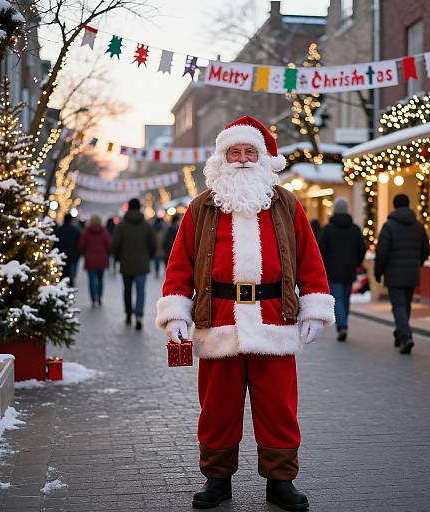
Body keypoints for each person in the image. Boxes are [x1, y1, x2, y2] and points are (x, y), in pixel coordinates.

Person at [156, 115, 334, 511]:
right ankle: (217, 480)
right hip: (218, 319)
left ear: (263, 157)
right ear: (222, 158)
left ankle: (281, 481)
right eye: (233, 151)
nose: (240, 159)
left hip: (275, 319)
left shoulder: (286, 203)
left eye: (248, 151)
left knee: (279, 406)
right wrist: (176, 313)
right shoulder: (201, 207)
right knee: (217, 407)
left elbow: (309, 259)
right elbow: (179, 264)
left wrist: (315, 308)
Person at [374, 194, 430, 355]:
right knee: (405, 305)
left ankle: (406, 337)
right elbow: (426, 250)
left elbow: (381, 252)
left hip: (393, 274)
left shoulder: (389, 226)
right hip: (412, 273)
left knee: (398, 306)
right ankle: (400, 333)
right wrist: (417, 263)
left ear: (394, 205)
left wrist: (379, 272)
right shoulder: (419, 226)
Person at [319, 198, 366, 342]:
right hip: (349, 270)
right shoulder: (355, 229)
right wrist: (356, 263)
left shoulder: (328, 229)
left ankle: (342, 326)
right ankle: (344, 323)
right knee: (345, 299)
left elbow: (320, 250)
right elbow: (361, 249)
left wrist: (324, 266)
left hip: (333, 271)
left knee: (337, 299)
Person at [113, 198, 155, 331]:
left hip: (126, 262)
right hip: (142, 263)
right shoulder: (146, 225)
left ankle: (128, 313)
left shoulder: (121, 225)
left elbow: (116, 245)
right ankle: (139, 315)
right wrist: (148, 257)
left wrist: (119, 258)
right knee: (141, 290)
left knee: (127, 290)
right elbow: (152, 244)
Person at [78, 214, 112, 307]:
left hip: (90, 259)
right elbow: (109, 245)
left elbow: (81, 246)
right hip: (102, 258)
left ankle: (93, 299)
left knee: (92, 280)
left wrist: (85, 253)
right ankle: (99, 297)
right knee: (100, 279)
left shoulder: (86, 232)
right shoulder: (104, 232)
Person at [54, 213, 81, 287]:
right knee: (70, 271)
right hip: (72, 254)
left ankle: (62, 285)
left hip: (61, 254)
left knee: (62, 271)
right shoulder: (75, 230)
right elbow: (79, 243)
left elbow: (55, 243)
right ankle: (70, 284)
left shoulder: (59, 230)